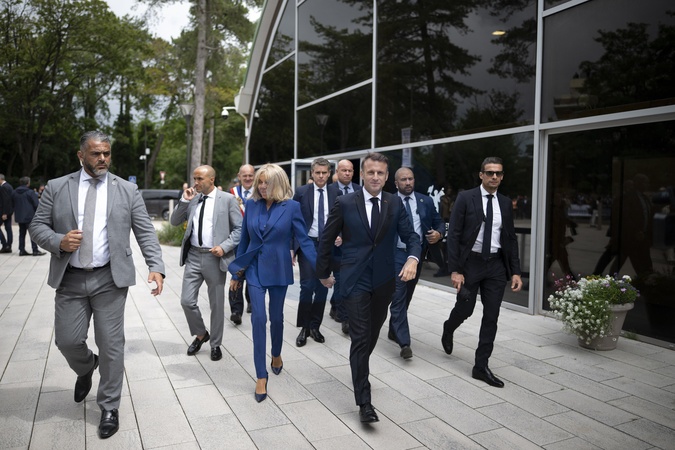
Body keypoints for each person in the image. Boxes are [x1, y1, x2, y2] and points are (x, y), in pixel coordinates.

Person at [29, 131, 165, 439]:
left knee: (111, 344)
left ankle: (109, 406)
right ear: (81, 156)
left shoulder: (127, 189)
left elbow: (145, 230)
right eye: (95, 153)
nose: (102, 158)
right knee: (67, 341)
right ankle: (87, 366)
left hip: (109, 279)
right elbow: (37, 226)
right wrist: (58, 241)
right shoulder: (57, 187)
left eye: (106, 153)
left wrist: (156, 266)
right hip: (70, 278)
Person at [317, 153, 421, 423]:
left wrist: (412, 258)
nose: (375, 177)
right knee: (361, 338)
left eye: (380, 173)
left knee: (372, 335)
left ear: (387, 177)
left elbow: (411, 236)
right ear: (362, 174)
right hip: (354, 279)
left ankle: (359, 366)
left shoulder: (394, 202)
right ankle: (364, 402)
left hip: (384, 280)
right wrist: (323, 273)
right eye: (371, 172)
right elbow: (326, 238)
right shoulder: (345, 202)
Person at [228, 164, 321, 403]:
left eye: (266, 182)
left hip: (279, 268)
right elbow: (244, 241)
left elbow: (304, 240)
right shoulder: (251, 205)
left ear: (278, 183)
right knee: (258, 318)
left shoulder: (292, 207)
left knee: (276, 318)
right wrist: (237, 274)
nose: (262, 186)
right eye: (260, 182)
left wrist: (321, 269)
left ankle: (276, 353)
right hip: (255, 268)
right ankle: (261, 375)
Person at [441, 157, 522, 388]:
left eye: (498, 173)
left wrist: (515, 271)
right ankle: (449, 327)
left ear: (502, 177)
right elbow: (454, 235)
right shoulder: (466, 198)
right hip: (470, 264)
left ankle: (481, 366)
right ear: (481, 175)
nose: (494, 177)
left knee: (491, 316)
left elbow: (510, 238)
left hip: (496, 265)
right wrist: (455, 269)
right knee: (465, 309)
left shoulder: (505, 203)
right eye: (489, 173)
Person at [171, 165, 242, 361]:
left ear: (212, 179)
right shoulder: (192, 199)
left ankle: (215, 344)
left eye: (200, 179)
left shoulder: (227, 200)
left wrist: (224, 247)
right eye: (194, 178)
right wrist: (184, 200)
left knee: (216, 305)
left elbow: (239, 229)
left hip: (215, 257)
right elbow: (174, 221)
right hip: (193, 256)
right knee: (186, 301)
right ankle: (201, 334)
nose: (196, 183)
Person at [388, 167, 445, 359]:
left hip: (417, 254)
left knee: (407, 295)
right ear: (396, 183)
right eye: (403, 179)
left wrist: (439, 233)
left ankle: (394, 329)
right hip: (396, 254)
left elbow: (439, 222)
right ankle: (404, 342)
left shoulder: (425, 201)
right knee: (398, 295)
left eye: (410, 179)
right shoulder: (388, 201)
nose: (408, 182)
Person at [293, 158, 337, 346]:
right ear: (312, 173)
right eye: (317, 172)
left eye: (324, 173)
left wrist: (340, 234)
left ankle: (315, 326)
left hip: (327, 245)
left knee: (322, 287)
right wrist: (292, 248)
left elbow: (343, 218)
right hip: (307, 244)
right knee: (307, 286)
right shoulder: (302, 192)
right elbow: (293, 220)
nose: (321, 176)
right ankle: (304, 327)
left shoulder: (336, 193)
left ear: (329, 173)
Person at [325, 159, 362, 333]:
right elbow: (327, 216)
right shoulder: (328, 190)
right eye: (344, 170)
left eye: (350, 170)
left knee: (350, 280)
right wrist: (337, 234)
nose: (347, 173)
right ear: (337, 172)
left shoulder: (360, 190)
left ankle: (337, 307)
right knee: (340, 279)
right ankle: (343, 315)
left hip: (355, 244)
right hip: (336, 245)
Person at [229, 164, 255, 315]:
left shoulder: (260, 192)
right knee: (236, 272)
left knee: (252, 272)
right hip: (236, 241)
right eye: (244, 175)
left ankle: (251, 301)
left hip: (254, 241)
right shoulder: (231, 193)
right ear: (239, 176)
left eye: (250, 175)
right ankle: (236, 310)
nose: (248, 178)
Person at [12, 176, 45, 256]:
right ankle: (35, 250)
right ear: (28, 183)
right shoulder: (30, 192)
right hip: (30, 216)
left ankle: (21, 250)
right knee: (32, 234)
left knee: (22, 234)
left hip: (19, 216)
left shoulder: (14, 192)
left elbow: (12, 203)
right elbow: (36, 204)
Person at [0, 173, 14, 253]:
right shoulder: (9, 186)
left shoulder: (3, 187)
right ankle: (8, 245)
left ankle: (5, 245)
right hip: (9, 211)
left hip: (4, 212)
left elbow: (5, 201)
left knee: (8, 228)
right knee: (8, 228)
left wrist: (4, 213)